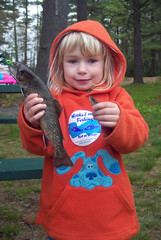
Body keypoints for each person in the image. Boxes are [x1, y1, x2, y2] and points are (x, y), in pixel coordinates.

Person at [18, 20, 149, 240]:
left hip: (110, 215)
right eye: (72, 61)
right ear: (60, 64)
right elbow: (37, 148)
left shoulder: (117, 97)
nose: (81, 69)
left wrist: (121, 121)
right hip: (63, 215)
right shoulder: (50, 99)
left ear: (106, 63)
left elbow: (135, 141)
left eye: (91, 61)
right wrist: (31, 123)